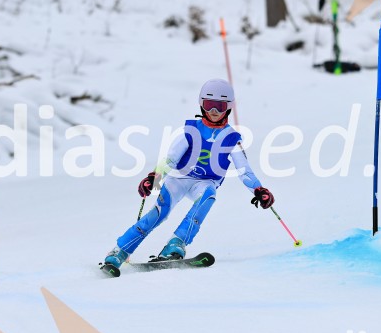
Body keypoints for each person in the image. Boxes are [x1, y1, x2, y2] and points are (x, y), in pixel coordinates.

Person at [103, 79, 274, 269]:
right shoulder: (191, 130)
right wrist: (154, 178)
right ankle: (120, 251)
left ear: (228, 108)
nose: (213, 111)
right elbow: (171, 159)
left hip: (205, 182)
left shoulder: (231, 138)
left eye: (219, 106)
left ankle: (176, 244)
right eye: (209, 105)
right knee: (158, 214)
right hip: (179, 178)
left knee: (208, 195)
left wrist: (258, 190)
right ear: (201, 104)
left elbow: (244, 170)